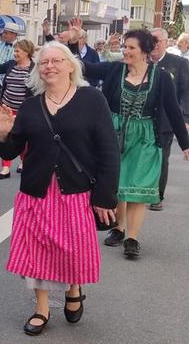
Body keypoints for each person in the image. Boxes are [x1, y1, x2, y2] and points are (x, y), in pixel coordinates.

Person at [0, 41, 120, 335]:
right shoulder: (29, 106)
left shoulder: (92, 99)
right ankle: (41, 309)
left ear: (71, 65)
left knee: (72, 249)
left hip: (75, 192)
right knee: (37, 250)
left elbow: (109, 150)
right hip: (36, 191)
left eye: (57, 61)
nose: (50, 66)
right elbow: (11, 153)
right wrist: (2, 135)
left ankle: (73, 288)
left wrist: (105, 196)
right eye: (44, 62)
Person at [81, 30, 189, 258]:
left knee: (138, 189)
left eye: (131, 47)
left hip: (146, 137)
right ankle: (118, 229)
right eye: (125, 47)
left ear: (144, 52)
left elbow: (173, 111)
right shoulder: (114, 70)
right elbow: (82, 67)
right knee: (118, 184)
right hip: (114, 134)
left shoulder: (160, 78)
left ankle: (132, 237)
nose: (125, 51)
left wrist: (186, 144)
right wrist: (73, 43)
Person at [147, 28, 189, 211]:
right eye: (151, 40)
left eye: (158, 40)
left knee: (162, 157)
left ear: (166, 43)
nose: (154, 44)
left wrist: (185, 118)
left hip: (166, 120)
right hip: (142, 119)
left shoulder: (179, 63)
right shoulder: (140, 61)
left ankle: (157, 195)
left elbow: (185, 92)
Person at [0, 39, 35, 179]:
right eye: (14, 51)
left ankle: (23, 162)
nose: (14, 53)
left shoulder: (34, 68)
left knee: (25, 138)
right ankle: (5, 168)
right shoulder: (11, 65)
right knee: (6, 136)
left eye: (17, 51)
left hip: (24, 111)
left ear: (27, 52)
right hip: (7, 109)